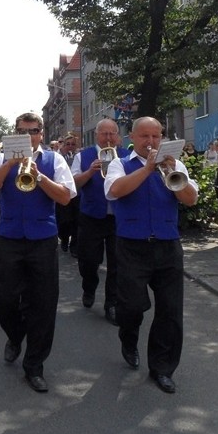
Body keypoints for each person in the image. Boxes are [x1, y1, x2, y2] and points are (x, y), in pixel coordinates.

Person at [0, 112, 76, 393]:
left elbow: (66, 197)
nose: (29, 135)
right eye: (23, 131)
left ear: (41, 134)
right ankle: (15, 334)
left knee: (44, 304)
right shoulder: (1, 159)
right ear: (15, 134)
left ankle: (35, 366)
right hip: (9, 238)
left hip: (43, 239)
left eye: (33, 131)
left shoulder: (54, 159)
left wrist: (40, 177)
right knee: (6, 299)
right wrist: (10, 162)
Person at [104, 117, 198, 394]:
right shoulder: (120, 163)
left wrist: (172, 174)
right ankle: (128, 338)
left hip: (167, 245)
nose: (151, 142)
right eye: (144, 136)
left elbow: (191, 199)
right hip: (132, 245)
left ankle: (162, 368)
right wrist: (147, 169)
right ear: (132, 137)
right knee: (131, 306)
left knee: (170, 311)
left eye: (156, 136)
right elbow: (114, 191)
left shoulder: (174, 164)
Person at [70, 119, 129, 324]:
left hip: (118, 217)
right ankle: (89, 286)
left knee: (117, 263)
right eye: (105, 134)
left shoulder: (125, 155)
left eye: (113, 134)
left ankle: (111, 303)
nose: (109, 138)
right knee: (88, 260)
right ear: (97, 135)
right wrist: (90, 171)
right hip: (91, 215)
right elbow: (73, 184)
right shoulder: (83, 156)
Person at [56, 133, 79, 256]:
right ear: (63, 145)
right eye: (68, 144)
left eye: (73, 144)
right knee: (64, 220)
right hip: (62, 191)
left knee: (76, 220)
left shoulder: (78, 156)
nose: (70, 147)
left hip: (76, 194)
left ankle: (74, 245)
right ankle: (64, 238)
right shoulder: (59, 157)